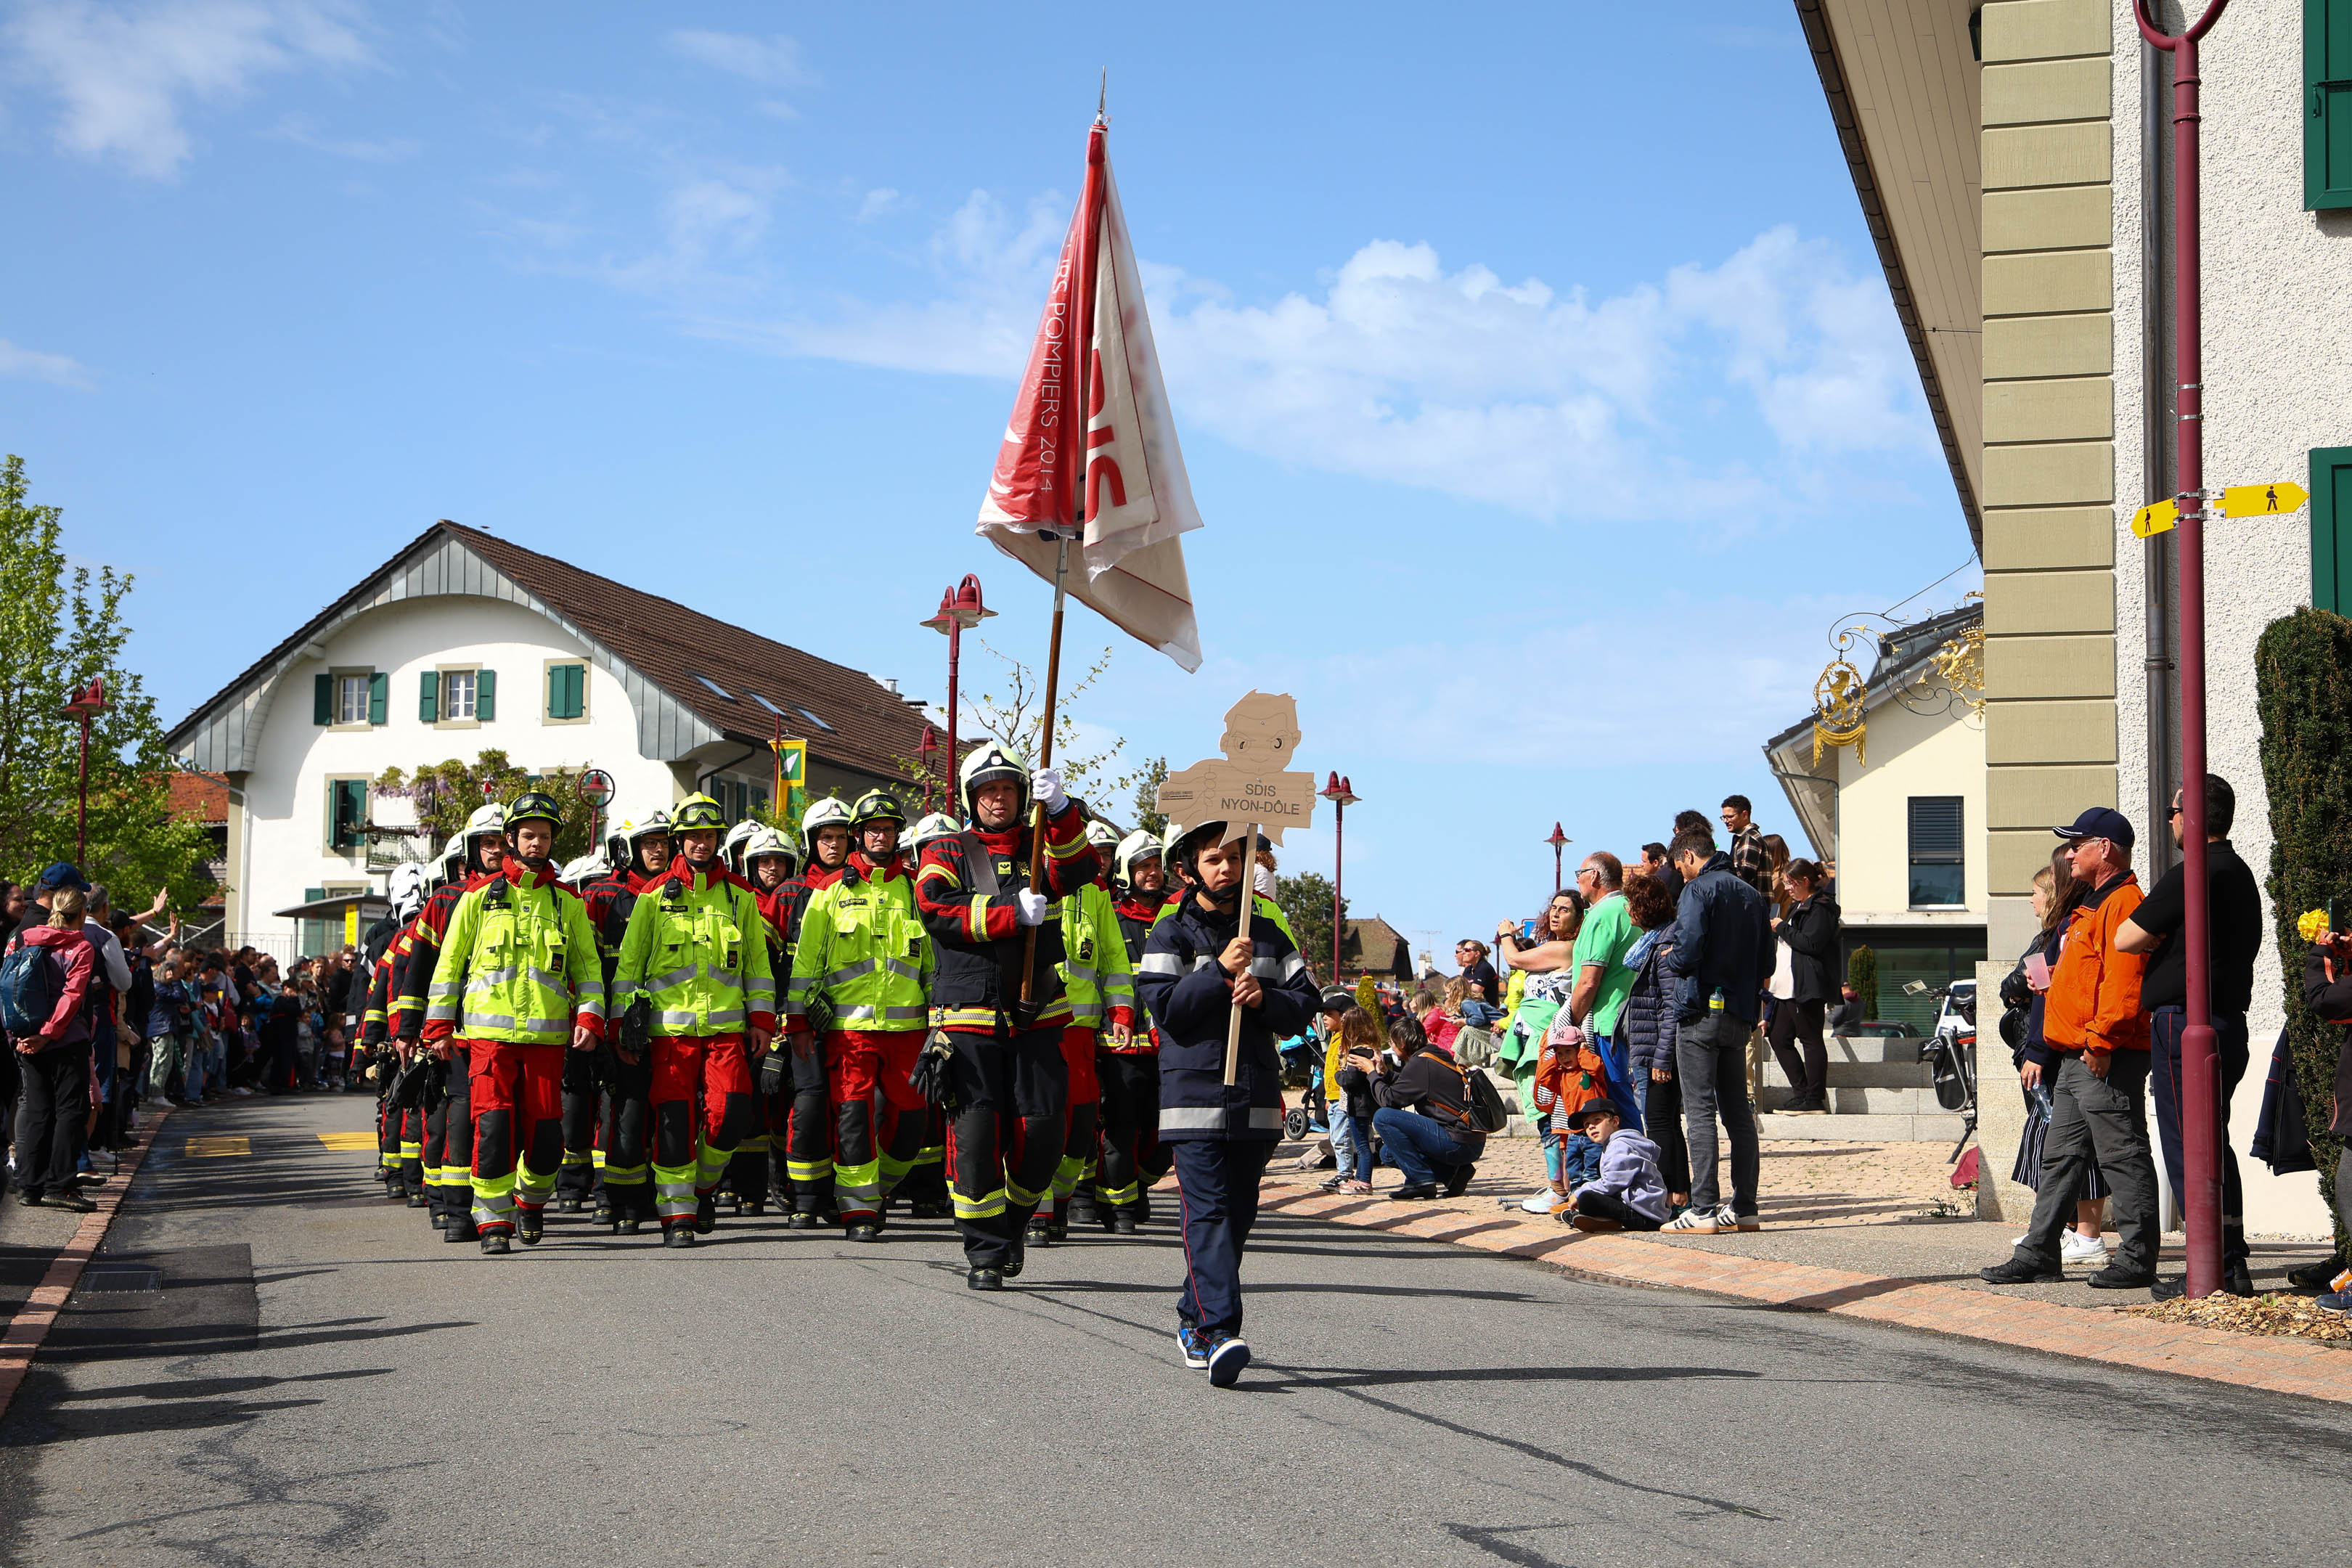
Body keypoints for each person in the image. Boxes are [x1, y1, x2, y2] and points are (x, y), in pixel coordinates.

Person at [1135, 820, 1320, 1386]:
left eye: (1235, 858)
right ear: (1188, 867)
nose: (1226, 868)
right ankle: (1220, 1331)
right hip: (1192, 1099)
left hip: (1254, 1098)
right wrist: (1218, 971)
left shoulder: (1268, 933)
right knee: (1209, 1214)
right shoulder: (1169, 934)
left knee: (1236, 1218)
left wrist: (1264, 998)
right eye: (1214, 858)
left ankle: (1193, 1317)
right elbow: (1167, 1010)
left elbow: (1305, 1003)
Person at [912, 743, 1099, 1289]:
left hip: (1038, 1012)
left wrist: (1062, 810)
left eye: (1008, 789)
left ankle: (1013, 1223)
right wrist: (1007, 914)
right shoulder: (947, 848)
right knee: (975, 1141)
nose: (999, 799)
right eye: (989, 790)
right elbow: (935, 907)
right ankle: (986, 1253)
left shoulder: (1039, 843)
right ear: (972, 798)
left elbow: (1081, 867)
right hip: (967, 1014)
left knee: (1044, 1133)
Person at [1981, 808, 2157, 1291]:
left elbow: (2125, 985)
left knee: (2122, 1155)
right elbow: (2087, 980)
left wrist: (2100, 1043)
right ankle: (2039, 1252)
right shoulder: (2092, 907)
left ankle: (2138, 1259)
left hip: (2102, 1055)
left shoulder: (2122, 903)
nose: (2071, 854)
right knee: (2060, 1158)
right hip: (2077, 1055)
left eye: (2079, 845)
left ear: (2105, 849)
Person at [423, 791, 606, 1254]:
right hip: (489, 1043)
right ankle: (493, 1223)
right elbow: (449, 966)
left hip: (547, 1043)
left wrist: (590, 1017)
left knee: (547, 1140)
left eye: (544, 836)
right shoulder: (477, 898)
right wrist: (438, 1028)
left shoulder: (567, 903)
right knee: (494, 1130)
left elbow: (588, 969)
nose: (536, 843)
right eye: (528, 835)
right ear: (511, 839)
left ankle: (530, 1200)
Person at [2115, 777, 2262, 1299]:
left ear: (2192, 816)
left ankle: (2211, 1266)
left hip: (2185, 1025)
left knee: (2187, 1145)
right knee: (2213, 1143)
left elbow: (2126, 937)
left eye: (2173, 812)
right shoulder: (2238, 871)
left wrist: (2156, 935)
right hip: (2227, 1023)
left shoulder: (2193, 872)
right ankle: (2231, 1259)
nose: (2171, 821)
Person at [613, 791, 777, 1248]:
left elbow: (757, 966)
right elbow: (630, 965)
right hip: (669, 1034)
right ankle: (677, 1215)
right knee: (674, 1123)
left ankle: (703, 1187)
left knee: (731, 1116)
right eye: (692, 836)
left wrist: (762, 1020)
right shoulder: (652, 895)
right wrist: (621, 1026)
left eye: (708, 836)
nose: (701, 844)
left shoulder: (740, 897)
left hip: (726, 1032)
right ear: (678, 841)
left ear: (718, 840)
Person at [777, 789, 934, 1241]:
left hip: (909, 1031)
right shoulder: (829, 891)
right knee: (853, 1118)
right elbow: (806, 963)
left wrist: (940, 1021)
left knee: (912, 1119)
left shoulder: (916, 889)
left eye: (888, 829)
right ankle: (859, 1210)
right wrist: (798, 1024)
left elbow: (932, 964)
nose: (880, 836)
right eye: (872, 830)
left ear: (898, 835)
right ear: (858, 836)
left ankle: (876, 1189)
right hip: (848, 1033)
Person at [400, 804, 508, 1241]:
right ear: (472, 849)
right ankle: (456, 1212)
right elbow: (420, 969)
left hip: (510, 1035)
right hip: (458, 1035)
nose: (496, 851)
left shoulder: (531, 898)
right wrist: (410, 1031)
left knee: (502, 1124)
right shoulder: (446, 900)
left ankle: (502, 1209)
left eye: (502, 842)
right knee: (459, 1121)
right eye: (488, 843)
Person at [1999, 857, 2110, 1266]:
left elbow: (2044, 993)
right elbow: (2018, 984)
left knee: (2075, 1147)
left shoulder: (2069, 930)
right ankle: (2059, 1230)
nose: (2030, 900)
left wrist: (2037, 1053)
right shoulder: (2054, 934)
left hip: (2061, 1053)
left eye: (2035, 892)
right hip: (2047, 1052)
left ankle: (2087, 1235)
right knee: (2050, 1146)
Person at [1029, 812, 1132, 1243]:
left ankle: (1062, 1199)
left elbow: (1113, 957)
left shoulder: (1096, 892)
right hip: (1035, 1029)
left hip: (1081, 1033)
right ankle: (1038, 1209)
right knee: (1039, 1121)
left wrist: (1121, 1012)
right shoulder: (1024, 878)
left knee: (1078, 1128)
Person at [1662, 827, 1769, 1233]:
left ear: (1689, 856)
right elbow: (1768, 962)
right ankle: (1744, 1207)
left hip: (1700, 1010)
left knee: (1700, 1110)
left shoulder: (1698, 890)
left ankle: (1704, 1207)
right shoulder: (1752, 895)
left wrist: (1671, 957)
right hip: (1739, 1013)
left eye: (1680, 866)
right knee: (1738, 1111)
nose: (1681, 874)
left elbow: (1688, 949)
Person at [581, 811, 672, 1233]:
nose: (658, 850)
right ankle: (613, 1197)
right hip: (617, 1024)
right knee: (622, 1111)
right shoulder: (601, 895)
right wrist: (600, 1024)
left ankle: (650, 1194)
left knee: (665, 1113)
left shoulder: (680, 894)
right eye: (649, 843)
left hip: (668, 1022)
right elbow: (586, 964)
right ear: (629, 849)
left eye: (663, 842)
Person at [778, 794, 854, 1230]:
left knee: (849, 1109)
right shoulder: (791, 893)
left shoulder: (862, 886)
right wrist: (781, 1024)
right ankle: (805, 1197)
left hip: (850, 1019)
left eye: (841, 837)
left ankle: (842, 1195)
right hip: (802, 1020)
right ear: (811, 842)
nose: (834, 845)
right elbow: (773, 964)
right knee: (808, 1107)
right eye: (826, 837)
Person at [7, 878, 99, 1211]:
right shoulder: (80, 947)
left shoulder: (26, 938)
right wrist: (49, 1033)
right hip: (64, 1040)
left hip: (25, 1038)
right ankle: (60, 1185)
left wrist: (22, 1035)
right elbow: (72, 996)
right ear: (82, 913)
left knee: (36, 1111)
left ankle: (29, 1186)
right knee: (70, 1111)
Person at [1494, 892, 1584, 1214]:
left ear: (1579, 918)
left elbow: (1514, 960)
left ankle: (1560, 1189)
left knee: (1549, 1116)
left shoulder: (1566, 948)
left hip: (1549, 1044)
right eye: (1554, 908)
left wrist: (1506, 934)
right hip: (1534, 1041)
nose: (1556, 914)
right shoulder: (1553, 947)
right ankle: (1559, 1185)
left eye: (1565, 910)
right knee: (1546, 1116)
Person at [1101, 828, 1172, 1230]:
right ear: (1126, 872)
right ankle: (1121, 1207)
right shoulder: (1111, 916)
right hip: (1122, 1046)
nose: (1152, 873)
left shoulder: (1177, 916)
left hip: (1168, 1045)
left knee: (1165, 1132)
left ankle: (1139, 1187)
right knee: (1122, 1129)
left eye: (1156, 865)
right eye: (1143, 866)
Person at [1617, 868, 1689, 1211]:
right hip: (1651, 1048)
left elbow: (1671, 1007)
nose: (1628, 911)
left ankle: (1671, 1196)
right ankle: (1678, 1194)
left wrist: (1662, 1059)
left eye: (1632, 904)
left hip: (1660, 1052)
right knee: (1666, 1122)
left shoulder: (1664, 945)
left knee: (1660, 1122)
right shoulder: (1652, 943)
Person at [1370, 1013, 1485, 1199]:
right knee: (1389, 1153)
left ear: (1401, 1043)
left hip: (1457, 1142)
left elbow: (1389, 1100)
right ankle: (1453, 1174)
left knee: (1383, 1117)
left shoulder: (1420, 1063)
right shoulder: (1433, 1055)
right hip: (1470, 1140)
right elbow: (1412, 1085)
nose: (1391, 1047)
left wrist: (1371, 1074)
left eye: (1392, 1043)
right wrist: (1385, 1074)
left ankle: (1421, 1182)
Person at [1566, 852, 1643, 1130]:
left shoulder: (1601, 915)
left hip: (1606, 1024)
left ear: (1594, 876)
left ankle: (1634, 1153)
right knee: (1622, 1099)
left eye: (1580, 874)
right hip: (1630, 1018)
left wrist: (1571, 1020)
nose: (1578, 880)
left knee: (1615, 1100)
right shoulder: (1629, 908)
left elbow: (1589, 981)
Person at [1768, 858, 1839, 1114]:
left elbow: (1811, 944)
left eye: (1790, 883)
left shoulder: (1821, 907)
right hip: (1787, 986)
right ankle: (1802, 1093)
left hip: (1805, 985)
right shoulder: (1798, 905)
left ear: (1805, 881)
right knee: (1778, 1037)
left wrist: (1781, 928)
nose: (1787, 888)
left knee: (1810, 1039)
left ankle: (1814, 1098)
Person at [1562, 1100, 1670, 1233]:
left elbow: (1611, 1184)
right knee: (1590, 1197)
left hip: (1645, 1216)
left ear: (1615, 1121)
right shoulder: (1612, 1144)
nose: (1591, 1127)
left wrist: (1579, 1193)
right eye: (1587, 1124)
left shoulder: (1619, 1146)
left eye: (1597, 1120)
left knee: (1586, 1198)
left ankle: (1601, 1219)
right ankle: (1599, 1220)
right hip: (1642, 1210)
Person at [1324, 998, 1379, 1195]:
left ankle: (1361, 1180)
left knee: (1361, 1146)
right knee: (1360, 1144)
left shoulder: (1358, 1052)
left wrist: (1339, 1074)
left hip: (1358, 1105)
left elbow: (1350, 1079)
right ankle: (1359, 1179)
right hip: (1357, 1103)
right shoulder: (1368, 1049)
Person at [1721, 796, 1771, 897]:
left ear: (1744, 815)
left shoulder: (1750, 838)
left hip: (1751, 904)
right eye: (1724, 817)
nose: (1726, 821)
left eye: (1730, 817)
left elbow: (1744, 876)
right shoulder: (1744, 838)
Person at [1455, 939, 1500, 1008]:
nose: (1463, 953)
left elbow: (1475, 993)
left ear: (1477, 953)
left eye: (1467, 950)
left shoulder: (1484, 968)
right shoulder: (1468, 969)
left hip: (1486, 1010)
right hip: (1472, 1007)